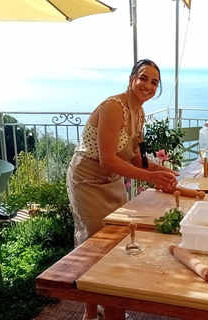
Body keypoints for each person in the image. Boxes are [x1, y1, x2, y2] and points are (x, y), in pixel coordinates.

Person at [66, 59, 178, 320]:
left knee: (116, 240)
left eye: (154, 82)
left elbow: (135, 158)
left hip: (112, 180)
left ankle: (108, 304)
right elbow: (107, 158)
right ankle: (90, 313)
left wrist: (162, 171)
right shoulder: (113, 107)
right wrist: (151, 178)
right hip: (88, 180)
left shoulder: (138, 113)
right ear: (131, 79)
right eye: (143, 78)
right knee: (93, 244)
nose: (148, 86)